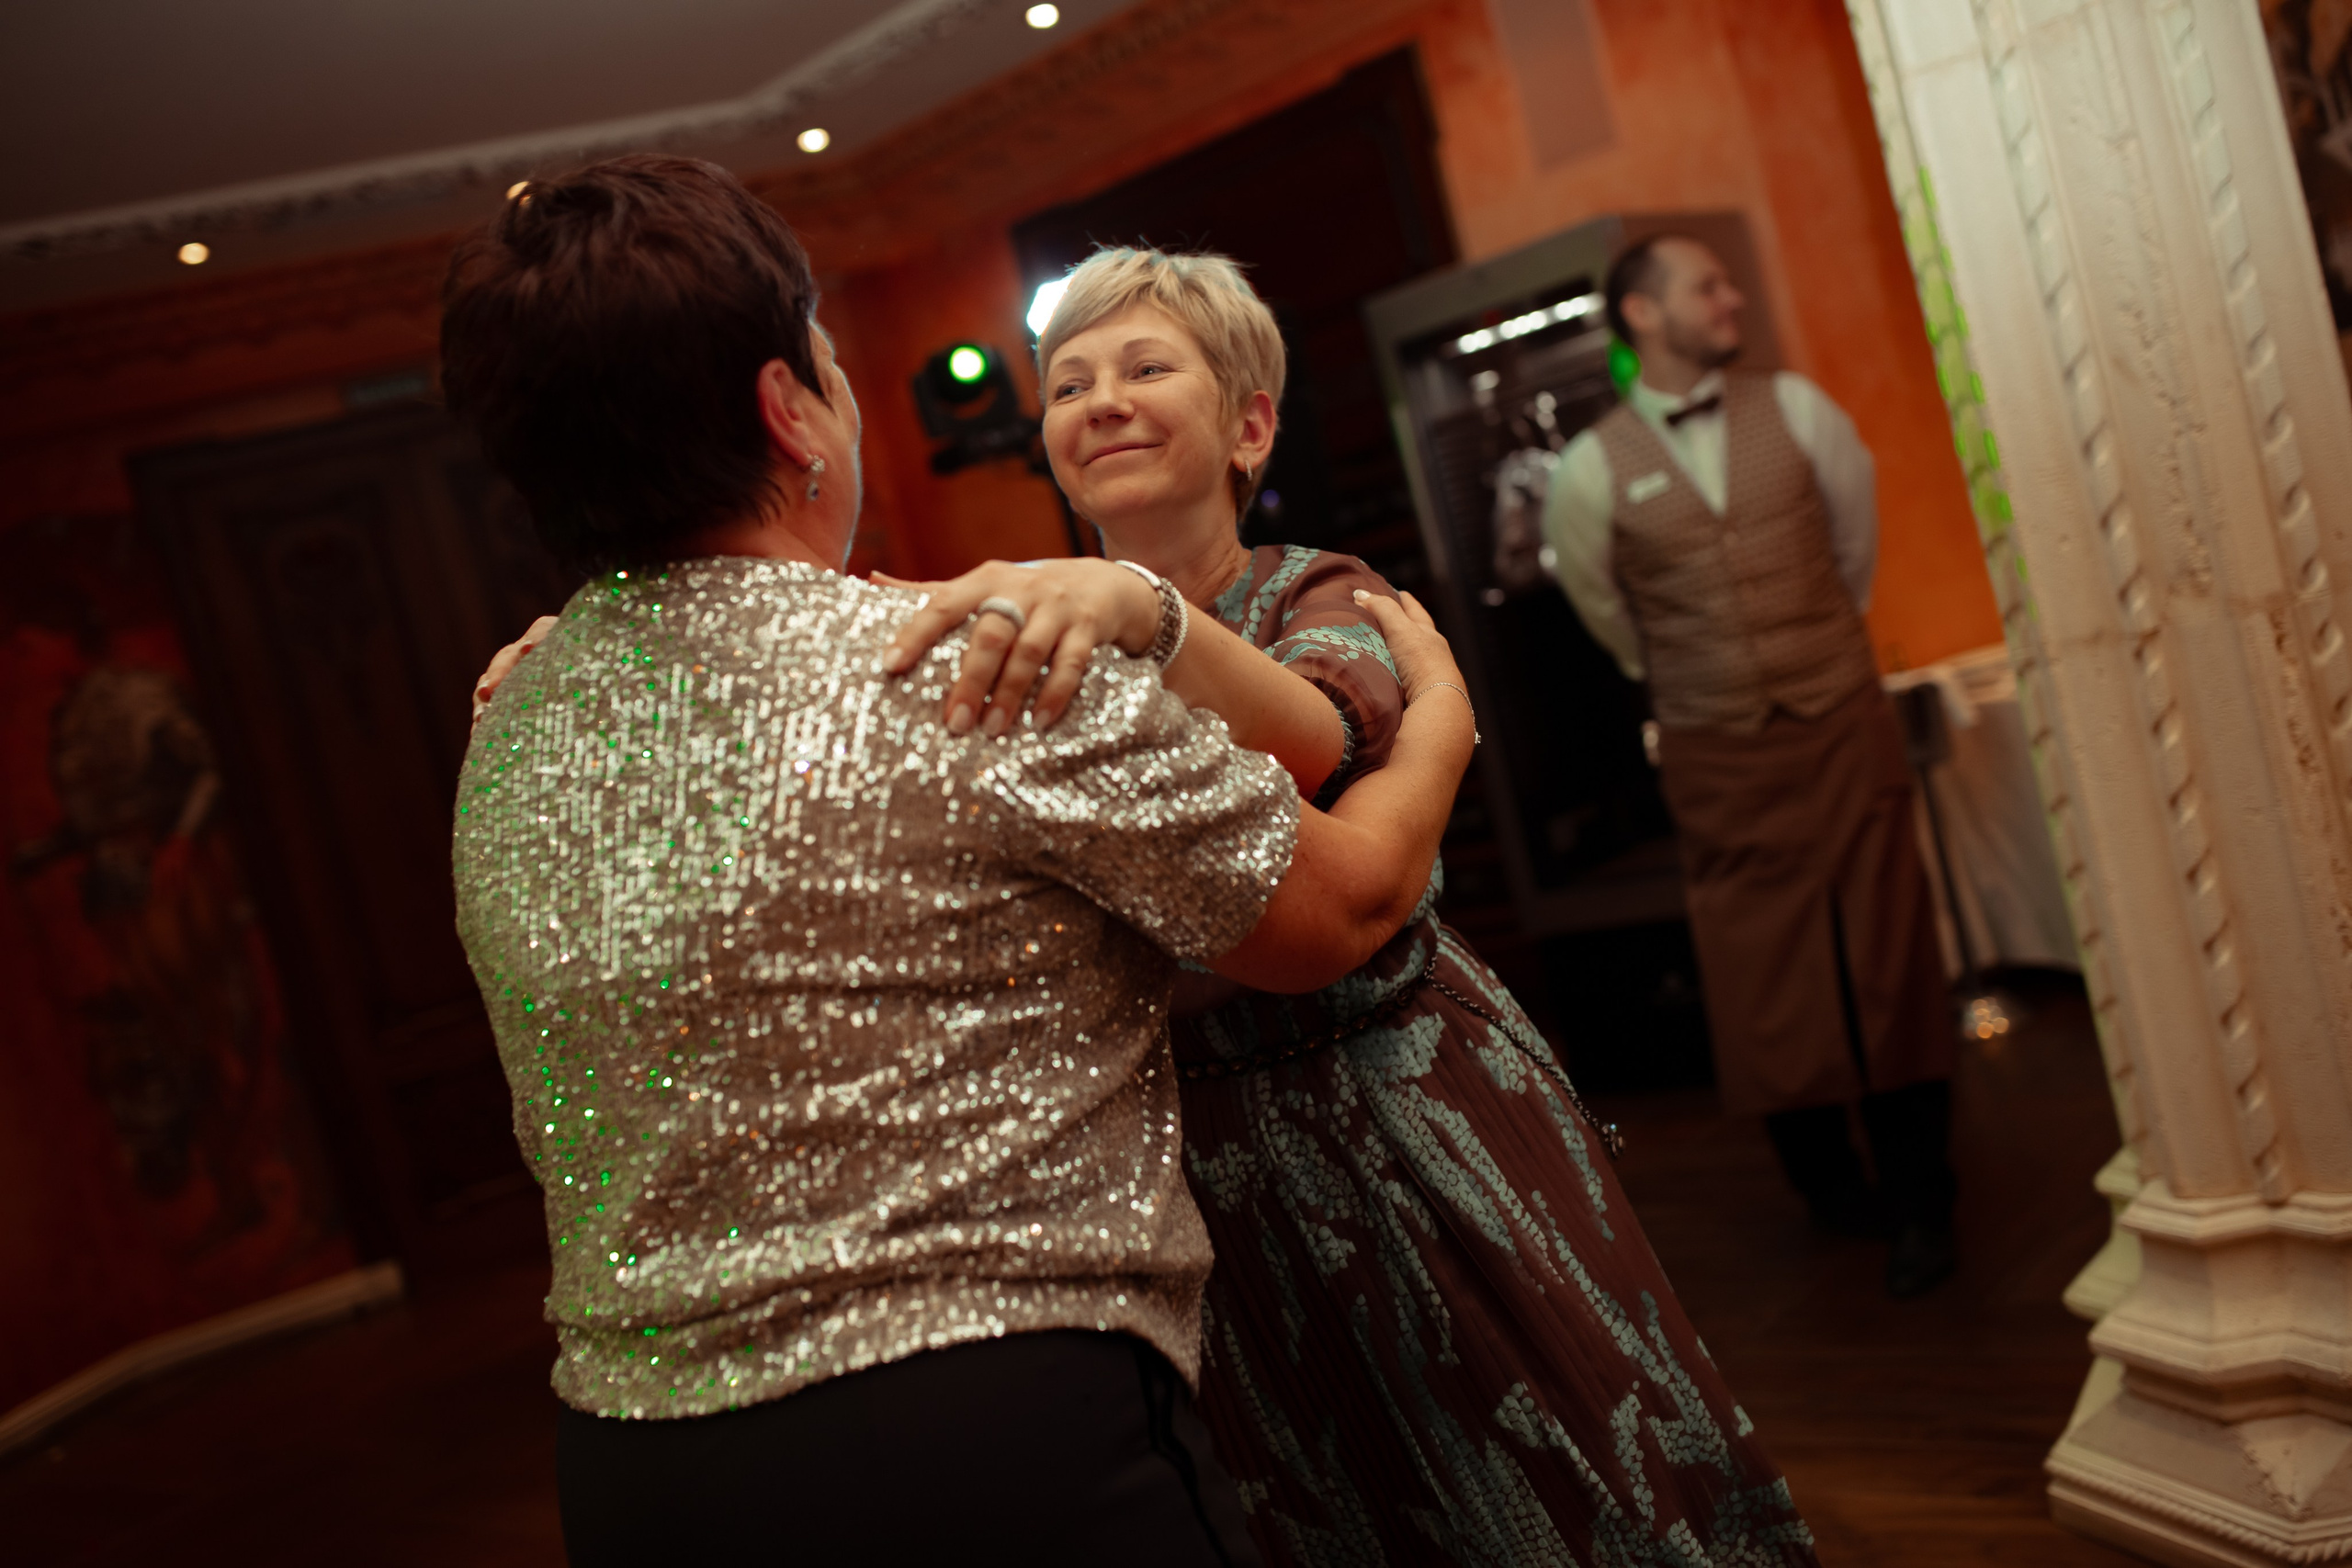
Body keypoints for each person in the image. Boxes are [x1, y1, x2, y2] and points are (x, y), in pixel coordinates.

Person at [441, 156, 1480, 1565]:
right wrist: (1445, 733)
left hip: (635, 1468)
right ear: (785, 406)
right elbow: (1341, 902)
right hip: (986, 1441)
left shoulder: (511, 727)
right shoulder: (979, 671)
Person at [881, 248, 1819, 1565]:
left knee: (1543, 1477)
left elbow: (1323, 727)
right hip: (1189, 1163)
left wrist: (1142, 611)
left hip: (1397, 1110)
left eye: (1148, 368)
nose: (1102, 399)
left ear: (1248, 426)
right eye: (1071, 381)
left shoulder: (1313, 588)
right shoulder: (1040, 635)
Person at [1540, 233, 1959, 1298]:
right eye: (1706, 286)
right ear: (1642, 313)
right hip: (1711, 744)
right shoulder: (1589, 472)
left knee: (1887, 940)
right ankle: (1827, 1187)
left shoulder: (1802, 409)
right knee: (1762, 966)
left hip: (1838, 715)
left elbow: (1851, 547)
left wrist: (1811, 647)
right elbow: (1605, 615)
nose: (1730, 299)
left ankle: (1923, 1191)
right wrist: (1697, 674)